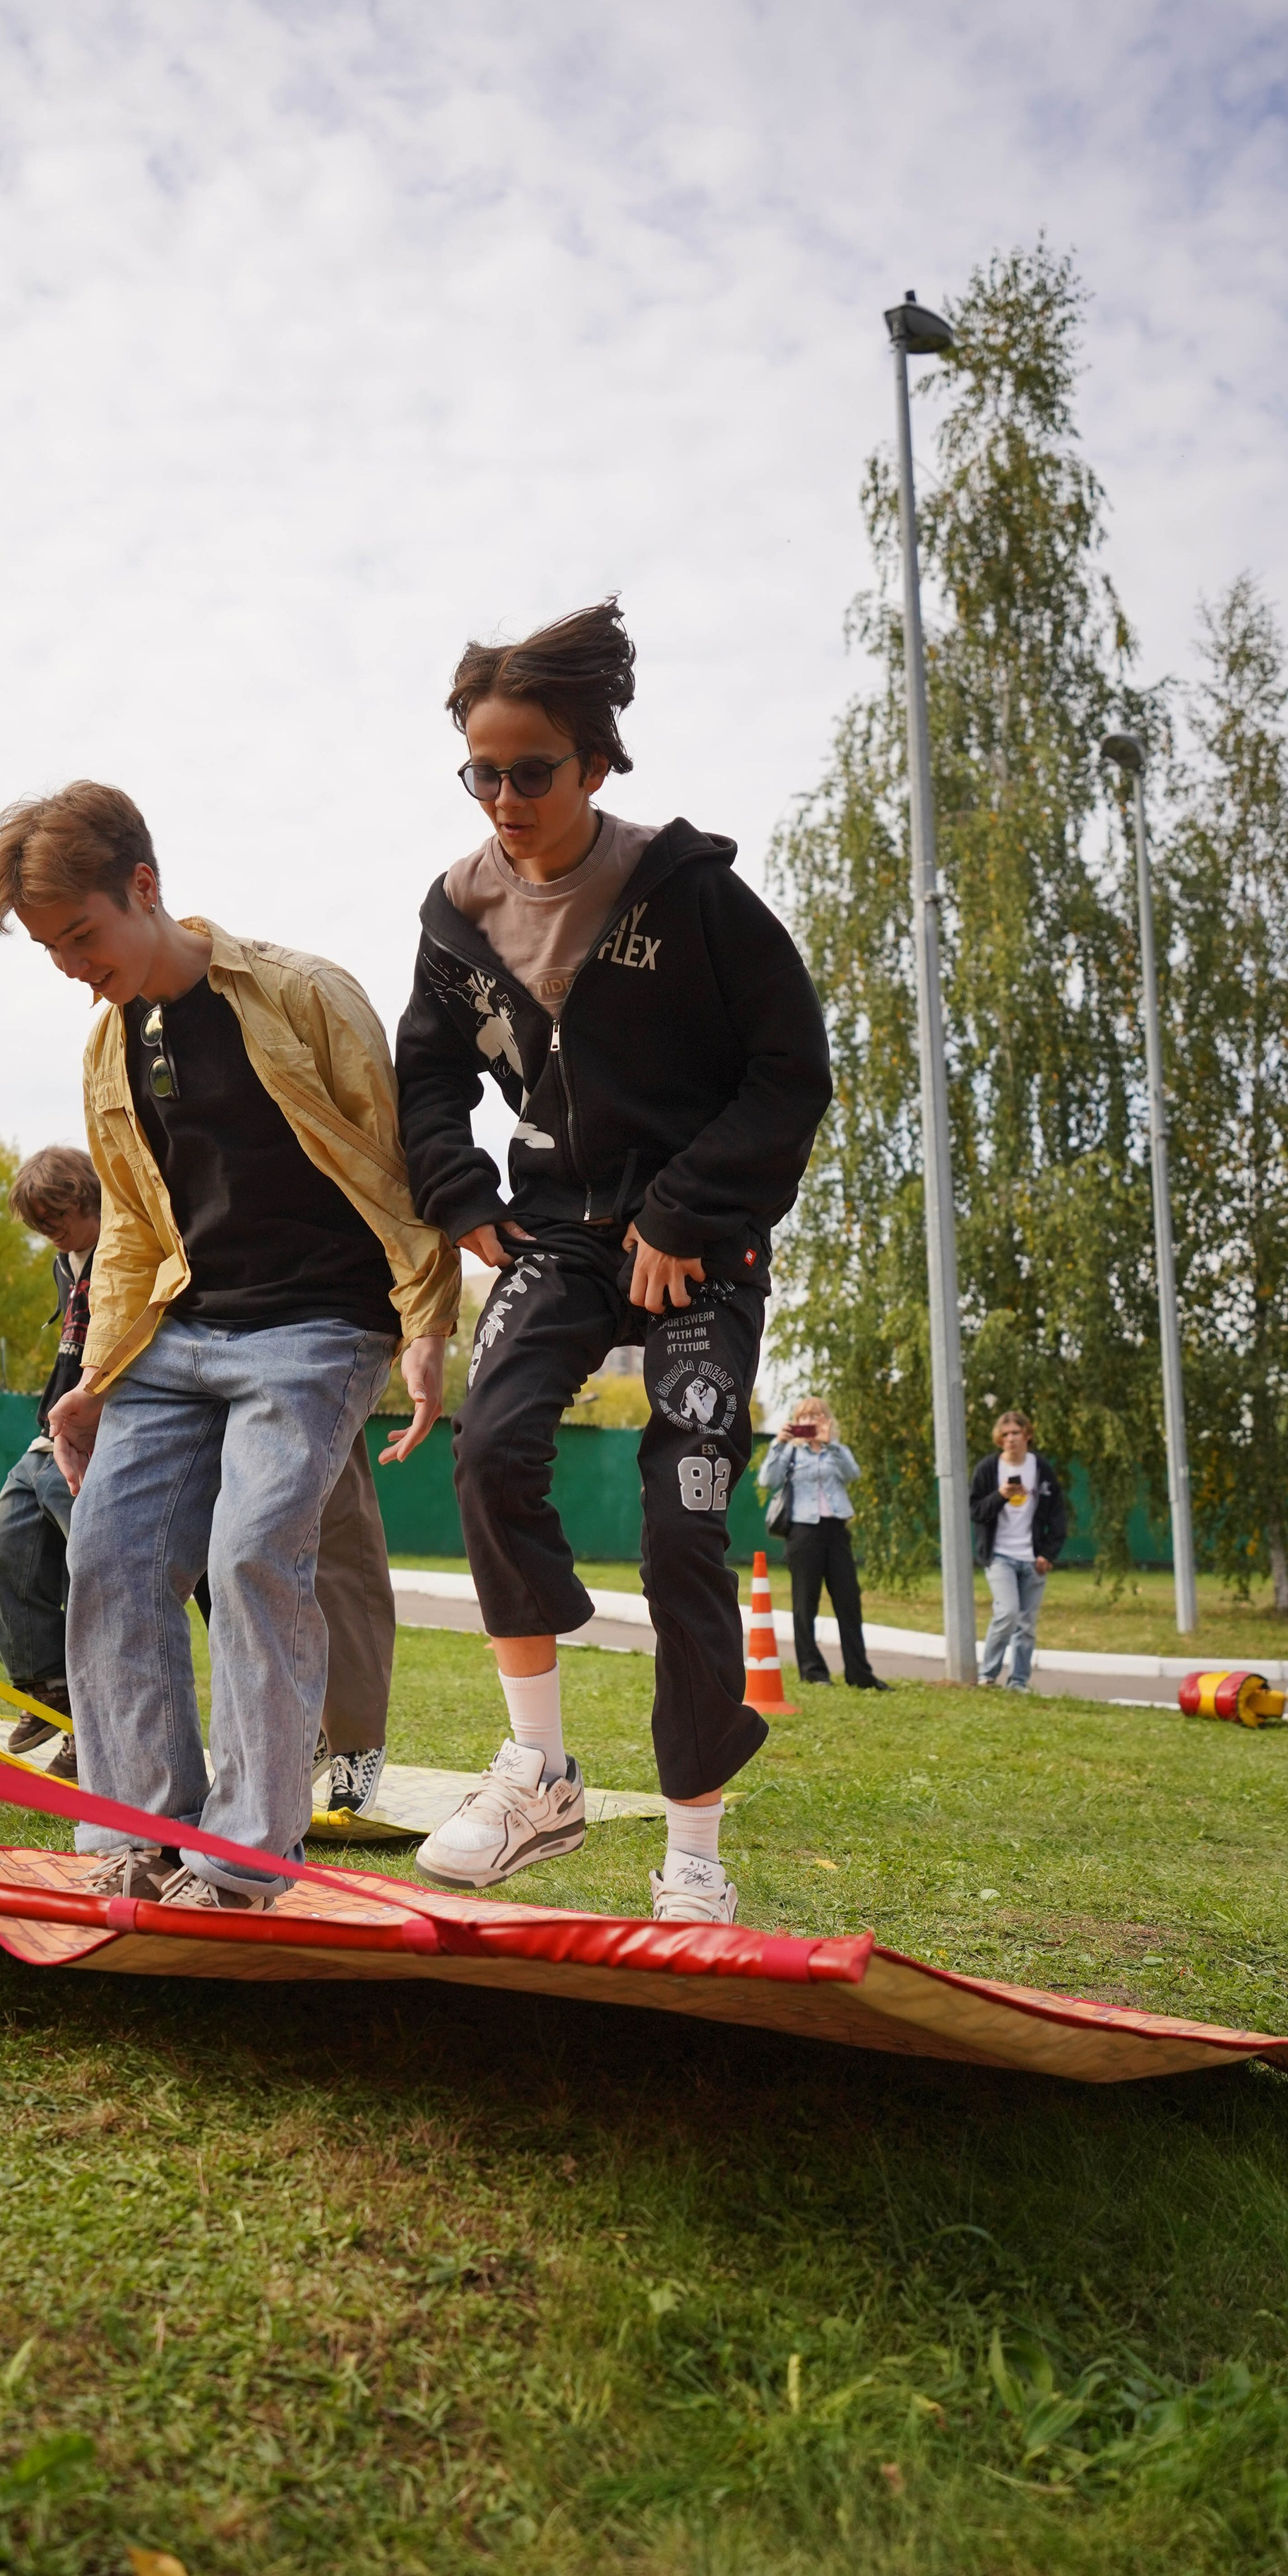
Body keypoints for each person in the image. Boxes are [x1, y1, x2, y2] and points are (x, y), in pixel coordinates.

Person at [395, 598, 833, 1925]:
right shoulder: (458, 912)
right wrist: (460, 1190)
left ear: (595, 764)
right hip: (560, 1231)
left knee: (681, 1525)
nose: (508, 798)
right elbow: (424, 1074)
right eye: (484, 771)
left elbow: (789, 1071)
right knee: (491, 1447)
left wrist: (688, 1213)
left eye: (535, 771)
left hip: (700, 1241)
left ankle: (694, 1857)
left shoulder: (690, 895)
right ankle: (540, 1774)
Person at [0, 781, 459, 1908]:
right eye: (49, 948)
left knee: (252, 1555)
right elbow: (137, 1226)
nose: (68, 965)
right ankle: (138, 1834)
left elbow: (396, 1164)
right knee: (112, 1558)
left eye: (80, 936)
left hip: (317, 1331)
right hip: (178, 1337)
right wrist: (95, 1378)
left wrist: (428, 1320)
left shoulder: (303, 994)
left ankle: (242, 1860)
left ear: (144, 887)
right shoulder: (109, 1048)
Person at [0, 1146, 401, 1810]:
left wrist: (421, 1317)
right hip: (184, 1359)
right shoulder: (133, 1184)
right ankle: (142, 1785)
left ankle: (350, 1742)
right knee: (129, 1562)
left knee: (306, 1558)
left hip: (305, 1341)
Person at [0, 1145, 102, 1772]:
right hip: (47, 1437)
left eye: (57, 1217)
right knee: (1, 1553)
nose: (49, 1232)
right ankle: (49, 1688)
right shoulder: (66, 1262)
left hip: (101, 1441)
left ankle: (97, 1725)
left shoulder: (127, 1251)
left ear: (86, 1197)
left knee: (93, 1580)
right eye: (39, 1225)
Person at [758, 1399, 888, 1690]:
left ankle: (860, 1674)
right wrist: (779, 1444)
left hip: (837, 1529)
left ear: (826, 1419)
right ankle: (814, 1672)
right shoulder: (790, 1451)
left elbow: (853, 1474)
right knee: (806, 1603)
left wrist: (830, 1445)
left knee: (849, 1603)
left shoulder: (836, 1450)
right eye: (804, 1416)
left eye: (816, 1415)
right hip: (803, 1532)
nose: (810, 1420)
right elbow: (768, 1480)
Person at [970, 1410, 1069, 1691]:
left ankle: (1019, 1681)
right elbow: (976, 1512)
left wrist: (1048, 1554)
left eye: (1016, 1433)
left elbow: (1058, 1515)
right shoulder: (988, 1469)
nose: (1011, 1439)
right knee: (1008, 1612)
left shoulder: (1041, 1470)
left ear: (1027, 1436)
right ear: (999, 1440)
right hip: (999, 1555)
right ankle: (988, 1674)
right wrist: (1000, 1496)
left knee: (1026, 1624)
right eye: (1005, 1435)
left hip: (1032, 1557)